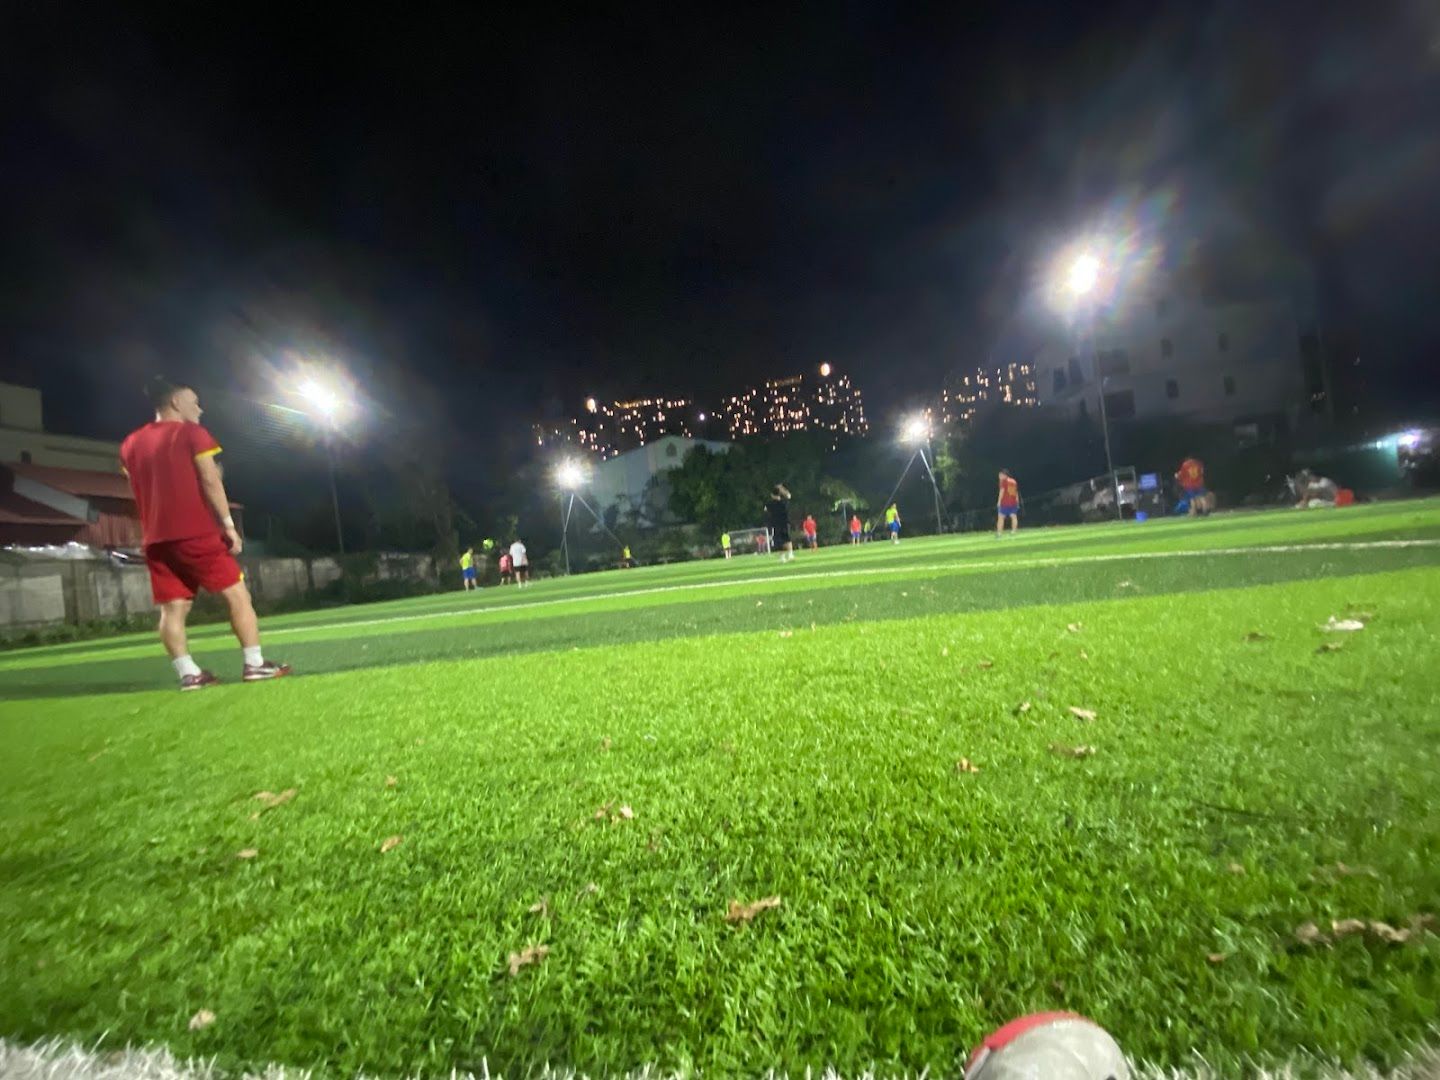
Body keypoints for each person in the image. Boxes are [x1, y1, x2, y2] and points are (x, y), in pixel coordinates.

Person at [119, 377, 290, 691]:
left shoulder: (130, 444)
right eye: (194, 402)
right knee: (238, 595)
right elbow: (210, 480)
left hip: (156, 539)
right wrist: (228, 525)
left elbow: (140, 486)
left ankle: (189, 674)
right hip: (195, 532)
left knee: (173, 608)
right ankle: (254, 664)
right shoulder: (191, 434)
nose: (200, 409)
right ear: (176, 403)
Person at [766, 484, 795, 563]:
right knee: (787, 539)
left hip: (776, 524)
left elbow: (766, 510)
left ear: (772, 495)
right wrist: (783, 490)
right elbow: (789, 496)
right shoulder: (784, 502)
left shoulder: (769, 504)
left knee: (778, 541)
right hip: (785, 523)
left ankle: (782, 558)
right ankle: (790, 555)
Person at [996, 469, 1020, 538]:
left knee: (1001, 518)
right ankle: (1013, 531)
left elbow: (1002, 492)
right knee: (1013, 516)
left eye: (1000, 475)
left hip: (1004, 503)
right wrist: (1017, 501)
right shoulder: (1014, 481)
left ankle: (999, 533)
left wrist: (999, 501)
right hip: (1013, 502)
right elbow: (1016, 492)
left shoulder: (1003, 482)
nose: (999, 476)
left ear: (1005, 475)